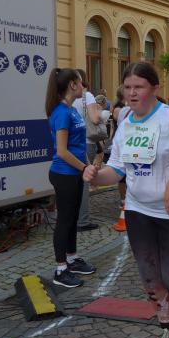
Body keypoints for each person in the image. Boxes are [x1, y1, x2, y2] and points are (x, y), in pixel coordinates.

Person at [84, 63, 169, 338]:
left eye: (138, 87)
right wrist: (95, 177)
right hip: (138, 210)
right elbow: (117, 169)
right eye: (127, 87)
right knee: (150, 276)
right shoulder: (126, 122)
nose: (131, 93)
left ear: (154, 88)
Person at [45, 68, 97, 288]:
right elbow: (62, 151)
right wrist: (84, 167)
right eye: (80, 82)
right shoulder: (61, 113)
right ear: (72, 85)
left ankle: (72, 259)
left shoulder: (72, 110)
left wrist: (88, 166)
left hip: (75, 172)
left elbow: (77, 145)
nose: (83, 85)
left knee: (72, 219)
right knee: (64, 221)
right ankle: (60, 270)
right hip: (64, 174)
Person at [72, 69, 102, 232]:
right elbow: (95, 119)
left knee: (73, 180)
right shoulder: (87, 96)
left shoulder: (66, 97)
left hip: (71, 143)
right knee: (84, 181)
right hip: (87, 141)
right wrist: (100, 112)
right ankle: (82, 220)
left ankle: (72, 216)